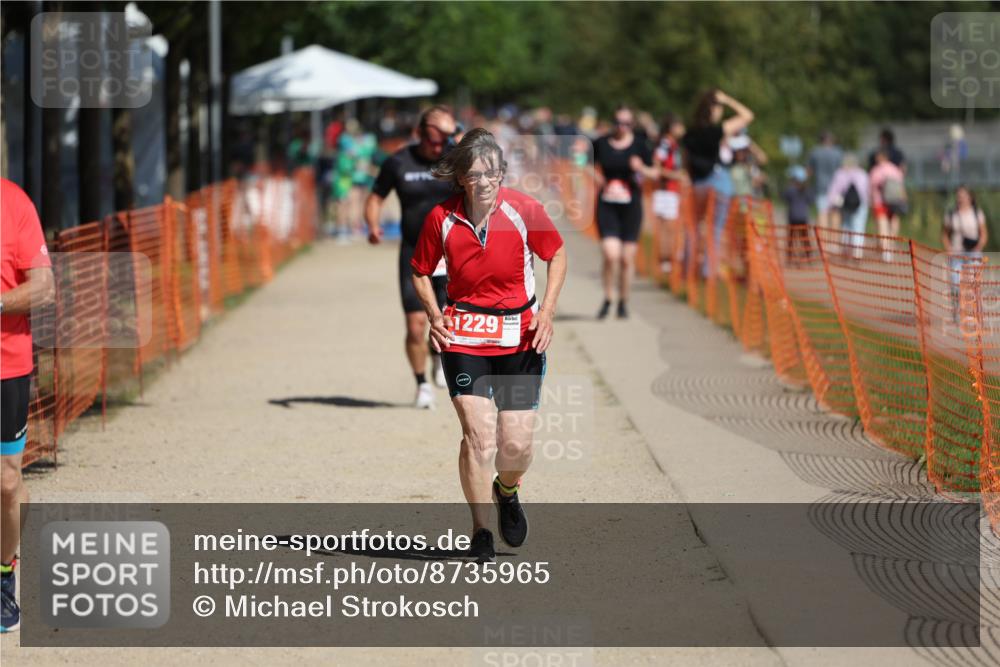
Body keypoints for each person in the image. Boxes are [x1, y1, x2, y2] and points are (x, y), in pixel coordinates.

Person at [410, 129, 567, 562]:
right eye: (478, 174)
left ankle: (508, 490)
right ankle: (480, 530)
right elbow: (420, 270)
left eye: (494, 172)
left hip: (520, 338)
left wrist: (547, 312)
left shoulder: (524, 209)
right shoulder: (440, 218)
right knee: (479, 437)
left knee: (515, 445)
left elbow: (556, 254)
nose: (488, 181)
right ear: (462, 178)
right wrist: (435, 316)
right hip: (464, 337)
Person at [366, 106, 458, 409]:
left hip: (453, 251)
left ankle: (437, 358)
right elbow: (376, 196)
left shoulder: (455, 156)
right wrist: (373, 225)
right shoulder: (398, 162)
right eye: (434, 140)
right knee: (416, 324)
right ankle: (421, 385)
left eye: (445, 139)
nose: (439, 146)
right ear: (420, 132)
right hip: (414, 252)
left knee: (445, 319)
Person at [1, 178, 55, 633]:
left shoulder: (13, 202)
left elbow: (44, 288)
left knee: (5, 481)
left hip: (6, 365)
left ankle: (4, 575)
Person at [591, 105, 656, 319]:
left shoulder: (639, 145)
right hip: (607, 204)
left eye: (627, 123)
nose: (622, 127)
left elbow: (655, 172)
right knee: (611, 255)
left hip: (631, 206)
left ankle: (623, 301)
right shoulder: (601, 143)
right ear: (613, 122)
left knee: (627, 259)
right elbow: (582, 160)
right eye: (618, 122)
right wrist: (595, 176)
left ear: (632, 125)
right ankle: (608, 296)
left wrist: (641, 168)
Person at [682, 89, 754, 277]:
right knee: (715, 229)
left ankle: (688, 269)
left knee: (693, 227)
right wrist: (728, 99)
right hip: (718, 182)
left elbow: (686, 161)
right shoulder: (717, 131)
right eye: (719, 107)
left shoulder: (689, 133)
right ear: (713, 109)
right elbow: (747, 116)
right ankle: (708, 272)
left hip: (697, 184)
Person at [652, 114, 687, 275]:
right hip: (665, 190)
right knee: (667, 227)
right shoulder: (665, 144)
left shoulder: (674, 144)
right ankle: (665, 261)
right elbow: (657, 166)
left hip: (671, 190)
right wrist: (676, 176)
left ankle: (667, 260)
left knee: (670, 227)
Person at [826, 153, 870, 259]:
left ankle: (846, 250)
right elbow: (866, 190)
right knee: (859, 226)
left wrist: (830, 204)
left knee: (846, 225)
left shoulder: (840, 173)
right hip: (861, 204)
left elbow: (834, 190)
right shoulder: (862, 174)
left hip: (845, 204)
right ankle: (857, 251)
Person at [869, 149, 908, 261]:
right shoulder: (895, 169)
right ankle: (890, 246)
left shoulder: (876, 170)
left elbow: (871, 187)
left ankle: (886, 250)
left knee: (883, 225)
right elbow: (901, 185)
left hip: (879, 201)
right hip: (895, 201)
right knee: (893, 223)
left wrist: (870, 201)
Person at [807, 131, 843, 230]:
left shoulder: (815, 152)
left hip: (820, 187)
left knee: (823, 213)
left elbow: (809, 171)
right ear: (832, 140)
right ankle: (835, 241)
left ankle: (824, 241)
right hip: (837, 189)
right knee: (835, 213)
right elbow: (843, 170)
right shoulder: (838, 153)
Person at [783, 166, 814, 264]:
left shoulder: (791, 189)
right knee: (805, 237)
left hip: (793, 217)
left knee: (791, 238)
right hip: (803, 217)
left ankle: (789, 256)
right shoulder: (806, 189)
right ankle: (808, 255)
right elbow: (811, 201)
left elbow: (784, 197)